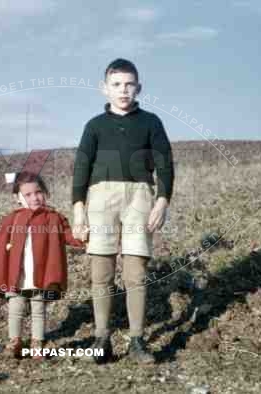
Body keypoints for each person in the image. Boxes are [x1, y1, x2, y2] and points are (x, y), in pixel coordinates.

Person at [72, 58, 175, 364]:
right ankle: (101, 339)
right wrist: (79, 209)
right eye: (116, 84)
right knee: (101, 273)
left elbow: (165, 164)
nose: (123, 90)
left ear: (138, 87)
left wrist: (162, 200)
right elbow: (81, 168)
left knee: (136, 273)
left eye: (129, 84)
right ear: (105, 89)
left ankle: (137, 341)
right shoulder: (94, 126)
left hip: (139, 199)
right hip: (100, 199)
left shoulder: (151, 122)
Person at [0, 171, 84, 360]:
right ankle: (15, 341)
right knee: (15, 308)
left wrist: (83, 236)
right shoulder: (12, 219)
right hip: (16, 276)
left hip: (41, 276)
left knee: (38, 309)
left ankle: (36, 343)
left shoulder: (54, 218)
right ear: (18, 198)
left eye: (38, 192)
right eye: (28, 194)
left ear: (45, 193)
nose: (35, 197)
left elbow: (69, 236)